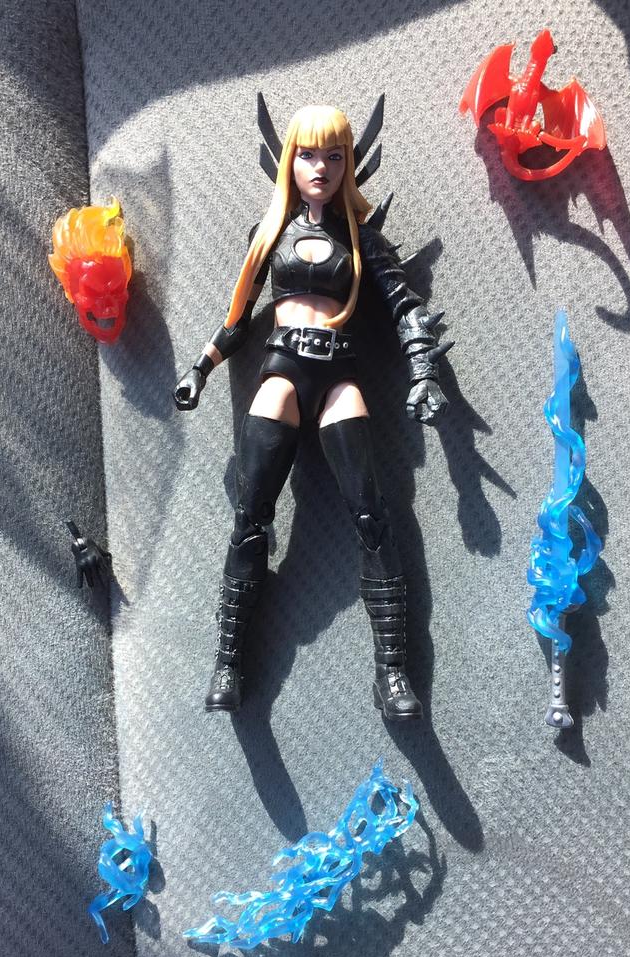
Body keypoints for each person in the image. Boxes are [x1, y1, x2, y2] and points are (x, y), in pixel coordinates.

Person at [174, 103, 451, 720]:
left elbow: (406, 307)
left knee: (374, 519)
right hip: (281, 372)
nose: (320, 167)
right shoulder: (269, 234)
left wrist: (424, 373)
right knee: (250, 518)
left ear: (349, 163)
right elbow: (238, 319)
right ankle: (227, 662)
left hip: (338, 378)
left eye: (333, 155)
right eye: (307, 155)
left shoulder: (363, 239)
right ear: (289, 162)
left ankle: (392, 674)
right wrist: (200, 369)